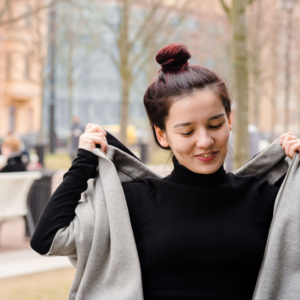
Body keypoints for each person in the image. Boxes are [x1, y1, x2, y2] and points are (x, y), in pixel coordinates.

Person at [31, 44, 300, 299]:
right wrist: (83, 164)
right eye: (187, 131)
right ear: (162, 135)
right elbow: (48, 238)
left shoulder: (266, 197)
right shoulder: (135, 200)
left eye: (215, 124)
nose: (205, 141)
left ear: (230, 121)